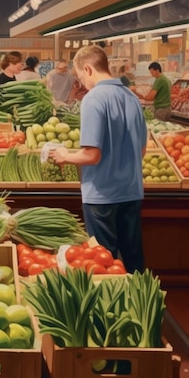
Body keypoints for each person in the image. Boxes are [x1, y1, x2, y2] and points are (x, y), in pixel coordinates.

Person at [50, 45, 147, 273]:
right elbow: (141, 149)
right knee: (133, 258)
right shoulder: (131, 97)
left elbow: (92, 155)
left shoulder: (94, 98)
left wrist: (65, 156)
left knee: (103, 262)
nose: (82, 82)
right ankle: (141, 305)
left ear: (88, 68)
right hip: (131, 191)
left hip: (102, 194)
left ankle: (109, 308)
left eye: (81, 76)